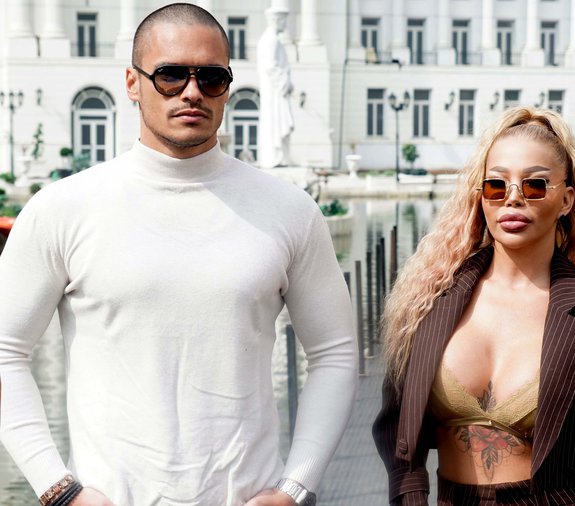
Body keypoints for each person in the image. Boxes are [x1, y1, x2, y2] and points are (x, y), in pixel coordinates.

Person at [0, 3, 357, 506]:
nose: (192, 92)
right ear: (132, 82)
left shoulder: (289, 209)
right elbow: (5, 348)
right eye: (170, 75)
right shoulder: (63, 208)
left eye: (212, 77)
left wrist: (295, 488)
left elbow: (335, 352)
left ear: (227, 87)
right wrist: (58, 490)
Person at [373, 107, 575, 505]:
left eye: (535, 184)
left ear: (566, 200)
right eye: (496, 185)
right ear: (481, 197)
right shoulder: (428, 300)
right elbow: (397, 430)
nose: (513, 198)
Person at [256, 2, 294, 169]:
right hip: (275, 91)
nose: (285, 24)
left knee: (277, 122)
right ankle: (275, 157)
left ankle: (279, 157)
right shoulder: (271, 40)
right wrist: (285, 82)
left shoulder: (272, 39)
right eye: (283, 20)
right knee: (276, 122)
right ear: (276, 20)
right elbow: (271, 66)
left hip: (276, 90)